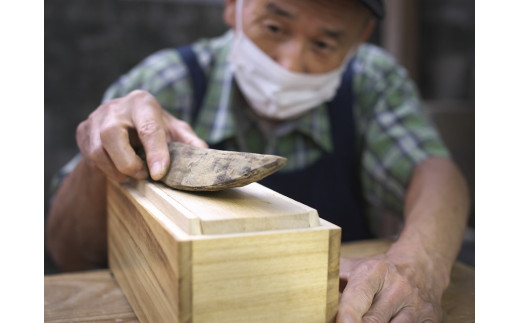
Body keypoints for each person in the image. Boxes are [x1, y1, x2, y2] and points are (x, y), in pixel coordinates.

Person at [46, 0, 469, 322]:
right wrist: (97, 161)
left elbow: (433, 172)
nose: (290, 63)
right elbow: (68, 255)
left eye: (324, 43)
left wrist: (420, 266)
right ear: (234, 6)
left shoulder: (371, 82)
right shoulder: (165, 82)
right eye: (273, 26)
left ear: (361, 36)